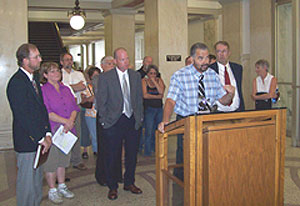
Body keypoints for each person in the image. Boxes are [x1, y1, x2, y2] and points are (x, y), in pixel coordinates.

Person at [158, 42, 235, 181]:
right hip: (186, 121)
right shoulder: (180, 76)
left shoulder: (212, 75)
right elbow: (170, 101)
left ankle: (204, 184)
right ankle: (182, 186)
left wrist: (230, 95)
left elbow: (222, 100)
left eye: (206, 58)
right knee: (185, 158)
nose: (205, 62)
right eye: (200, 58)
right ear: (192, 59)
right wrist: (165, 120)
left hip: (207, 121)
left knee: (206, 156)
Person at [6, 43, 52, 206]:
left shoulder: (33, 79)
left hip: (39, 140)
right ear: (25, 60)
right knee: (26, 184)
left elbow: (42, 109)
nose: (40, 59)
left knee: (36, 182)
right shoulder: (17, 82)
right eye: (36, 57)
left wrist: (47, 132)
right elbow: (23, 116)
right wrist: (40, 137)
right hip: (27, 141)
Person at [96, 48, 143, 200]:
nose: (126, 62)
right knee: (112, 155)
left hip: (131, 120)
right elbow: (101, 101)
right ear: (116, 61)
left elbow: (138, 98)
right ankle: (112, 186)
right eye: (122, 59)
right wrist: (104, 120)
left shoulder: (135, 76)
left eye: (127, 59)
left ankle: (129, 182)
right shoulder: (106, 77)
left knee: (131, 155)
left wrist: (139, 118)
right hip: (113, 121)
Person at [40, 62, 79, 204]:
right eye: (52, 71)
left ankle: (62, 185)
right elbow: (47, 112)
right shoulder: (43, 90)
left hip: (67, 130)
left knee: (63, 159)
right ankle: (52, 189)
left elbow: (74, 107)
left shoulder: (66, 89)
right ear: (45, 75)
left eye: (57, 71)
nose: (56, 73)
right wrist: (65, 121)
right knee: (52, 161)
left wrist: (71, 121)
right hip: (54, 130)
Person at [95, 56, 123, 186]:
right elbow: (101, 100)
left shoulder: (118, 78)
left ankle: (116, 174)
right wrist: (105, 119)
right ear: (102, 66)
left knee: (117, 148)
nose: (112, 65)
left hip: (117, 117)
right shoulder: (99, 78)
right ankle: (103, 176)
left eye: (114, 63)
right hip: (105, 117)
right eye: (109, 64)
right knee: (105, 148)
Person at [60, 52, 87, 170]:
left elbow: (83, 87)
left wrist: (68, 86)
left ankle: (77, 160)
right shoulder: (58, 74)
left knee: (77, 134)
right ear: (61, 62)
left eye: (70, 60)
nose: (69, 62)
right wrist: (74, 86)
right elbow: (60, 89)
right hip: (62, 109)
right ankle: (63, 161)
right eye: (66, 60)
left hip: (76, 107)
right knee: (63, 135)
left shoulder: (79, 74)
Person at [210, 41, 245, 112]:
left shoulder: (237, 68)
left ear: (229, 53)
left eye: (224, 51)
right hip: (218, 111)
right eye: (218, 51)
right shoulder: (210, 70)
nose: (221, 54)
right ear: (215, 53)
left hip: (236, 109)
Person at [142, 64, 165, 156]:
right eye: (151, 73)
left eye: (154, 73)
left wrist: (155, 82)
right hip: (149, 109)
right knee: (149, 130)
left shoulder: (159, 81)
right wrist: (157, 97)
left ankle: (156, 149)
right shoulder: (143, 81)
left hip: (159, 108)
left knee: (158, 130)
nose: (152, 75)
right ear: (147, 73)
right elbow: (145, 95)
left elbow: (161, 92)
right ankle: (147, 151)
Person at [81, 66, 101, 158]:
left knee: (99, 133)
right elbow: (82, 101)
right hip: (90, 114)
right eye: (94, 76)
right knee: (94, 134)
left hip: (100, 113)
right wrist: (91, 98)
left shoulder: (102, 86)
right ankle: (96, 150)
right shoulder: (86, 88)